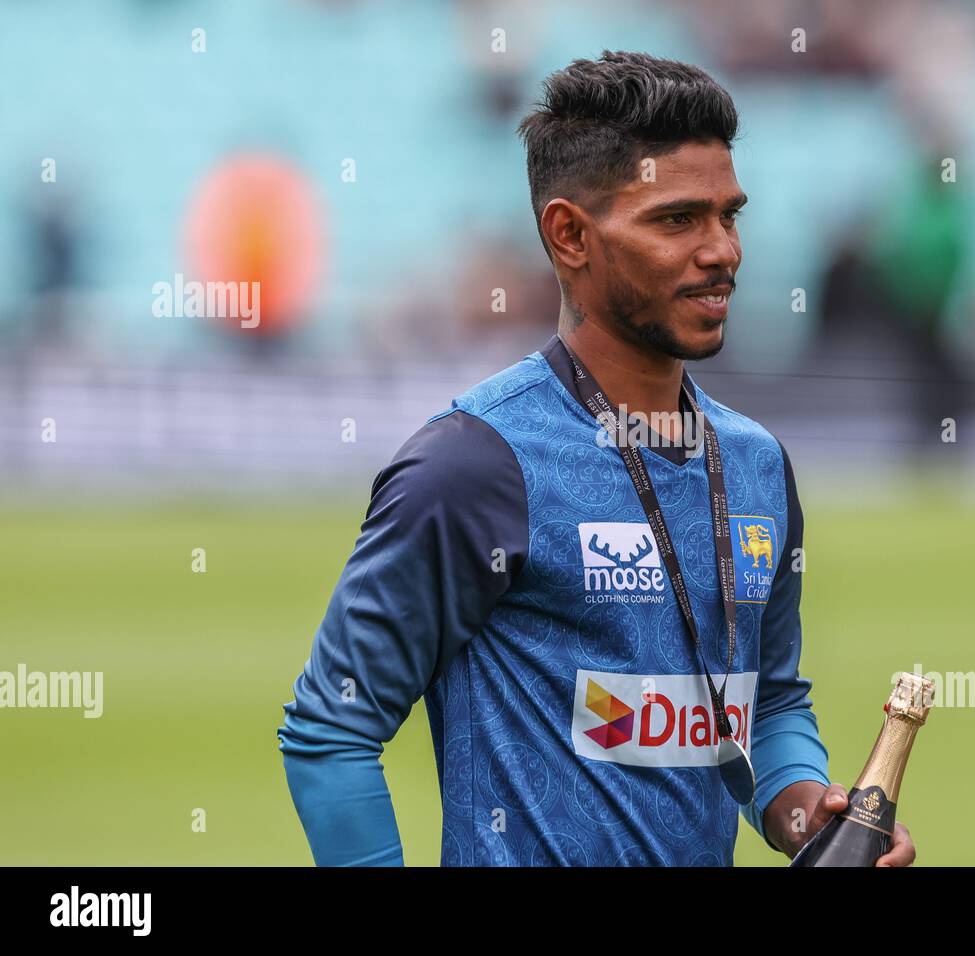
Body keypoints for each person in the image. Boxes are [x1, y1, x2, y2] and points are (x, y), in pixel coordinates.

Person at [278, 49, 916, 867]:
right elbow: (330, 732)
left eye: (730, 216)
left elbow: (766, 703)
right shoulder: (475, 465)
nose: (723, 251)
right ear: (570, 235)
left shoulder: (756, 465)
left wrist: (807, 817)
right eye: (678, 220)